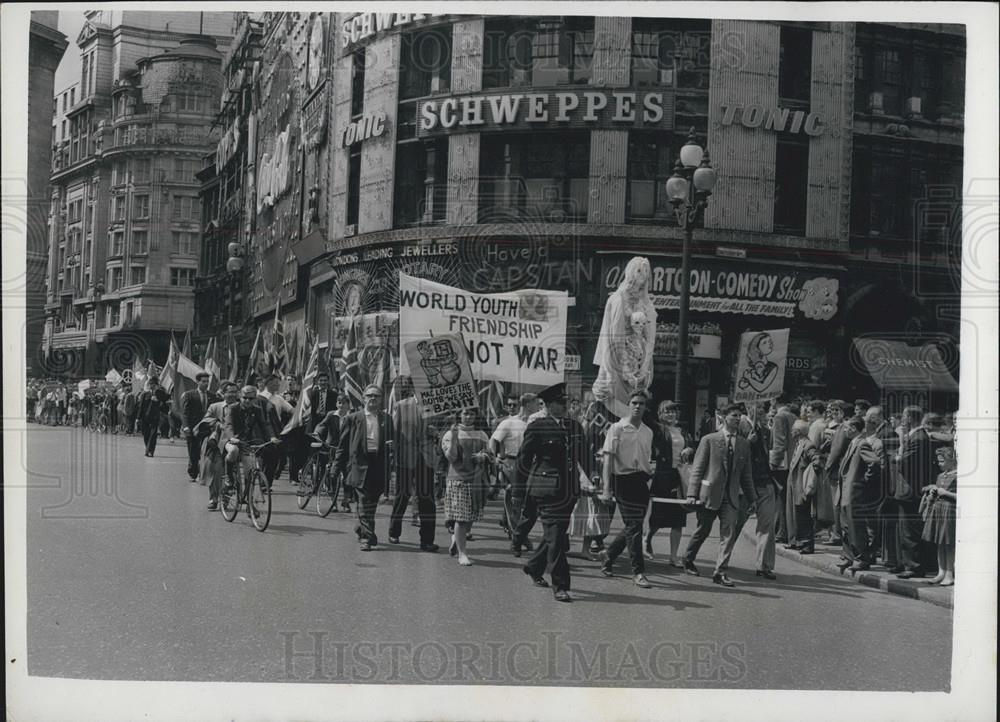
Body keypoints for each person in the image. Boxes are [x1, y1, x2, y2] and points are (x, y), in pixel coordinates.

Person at [515, 383, 586, 602]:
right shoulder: (538, 427)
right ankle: (561, 585)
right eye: (559, 402)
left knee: (554, 534)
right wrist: (518, 490)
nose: (564, 405)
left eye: (565, 401)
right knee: (556, 539)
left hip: (569, 490)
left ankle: (534, 566)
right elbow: (523, 460)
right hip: (545, 489)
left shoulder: (575, 426)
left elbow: (584, 456)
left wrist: (592, 478)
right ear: (547, 405)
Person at [682, 404, 756, 587]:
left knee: (728, 534)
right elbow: (698, 468)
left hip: (731, 496)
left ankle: (720, 571)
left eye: (740, 416)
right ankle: (688, 558)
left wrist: (752, 498)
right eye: (734, 416)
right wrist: (692, 493)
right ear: (723, 418)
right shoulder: (709, 440)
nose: (738, 419)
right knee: (703, 530)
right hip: (709, 494)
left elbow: (746, 474)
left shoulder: (744, 444)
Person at [598, 391, 655, 588]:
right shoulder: (617, 428)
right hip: (622, 480)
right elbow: (608, 460)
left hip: (641, 481)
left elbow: (647, 459)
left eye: (641, 403)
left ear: (646, 407)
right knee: (634, 526)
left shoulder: (648, 432)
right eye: (634, 403)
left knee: (634, 525)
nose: (637, 406)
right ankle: (638, 572)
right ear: (628, 404)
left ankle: (609, 554)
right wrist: (606, 489)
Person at [592, 256, 657, 419]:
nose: (642, 275)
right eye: (639, 271)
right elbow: (615, 337)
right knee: (615, 394)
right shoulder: (618, 299)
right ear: (630, 272)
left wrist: (645, 366)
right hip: (620, 359)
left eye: (646, 272)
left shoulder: (647, 303)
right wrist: (625, 370)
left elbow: (650, 338)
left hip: (639, 358)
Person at [333, 384, 395, 552]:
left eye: (376, 396)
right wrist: (335, 467)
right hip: (359, 465)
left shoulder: (387, 419)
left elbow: (392, 442)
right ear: (364, 398)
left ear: (381, 399)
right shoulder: (353, 418)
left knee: (371, 503)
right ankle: (367, 538)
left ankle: (360, 528)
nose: (373, 399)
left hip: (378, 466)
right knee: (363, 501)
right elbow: (342, 446)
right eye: (370, 396)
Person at [389, 376, 439, 551]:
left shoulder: (436, 406)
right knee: (402, 496)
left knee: (427, 499)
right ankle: (394, 532)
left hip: (426, 459)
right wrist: (394, 456)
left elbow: (445, 431)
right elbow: (394, 433)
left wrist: (436, 432)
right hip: (405, 458)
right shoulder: (402, 406)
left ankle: (427, 540)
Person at [896, 411, 947, 578]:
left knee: (910, 530)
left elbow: (904, 463)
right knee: (908, 529)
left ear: (910, 418)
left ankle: (914, 566)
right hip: (911, 489)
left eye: (904, 417)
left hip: (911, 490)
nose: (902, 420)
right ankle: (908, 563)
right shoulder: (919, 436)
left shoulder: (917, 438)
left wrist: (898, 455)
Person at [645, 400, 694, 567]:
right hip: (663, 476)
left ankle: (673, 556)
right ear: (660, 414)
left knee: (679, 519)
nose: (671, 414)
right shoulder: (658, 429)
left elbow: (689, 446)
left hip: (679, 476)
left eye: (673, 411)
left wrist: (689, 449)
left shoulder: (682, 430)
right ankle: (647, 538)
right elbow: (646, 418)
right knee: (658, 517)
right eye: (667, 411)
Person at [441, 407, 492, 565]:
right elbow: (450, 457)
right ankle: (462, 554)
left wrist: (483, 456)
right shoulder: (450, 434)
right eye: (465, 413)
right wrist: (455, 438)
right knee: (462, 519)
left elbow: (490, 454)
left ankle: (457, 538)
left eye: (471, 414)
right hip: (458, 479)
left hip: (477, 480)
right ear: (459, 415)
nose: (468, 417)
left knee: (471, 517)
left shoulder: (482, 434)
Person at [739, 404, 779, 579]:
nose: (761, 410)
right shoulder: (738, 425)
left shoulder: (765, 431)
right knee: (735, 525)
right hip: (745, 485)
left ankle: (764, 565)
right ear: (748, 405)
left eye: (763, 407)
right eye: (757, 406)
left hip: (765, 482)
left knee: (767, 524)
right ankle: (722, 562)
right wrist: (747, 442)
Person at [491, 393, 535, 540]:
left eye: (514, 405)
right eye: (537, 404)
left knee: (528, 501)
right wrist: (495, 459)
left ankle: (519, 532)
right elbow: (494, 441)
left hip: (530, 464)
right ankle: (517, 536)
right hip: (511, 462)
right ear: (528, 405)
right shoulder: (508, 423)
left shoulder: (533, 422)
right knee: (513, 501)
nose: (539, 407)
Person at [223, 385, 281, 489]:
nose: (247, 401)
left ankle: (247, 496)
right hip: (232, 441)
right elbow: (228, 425)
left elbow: (265, 424)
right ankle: (229, 475)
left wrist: (272, 437)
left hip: (246, 443)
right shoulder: (232, 408)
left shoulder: (257, 410)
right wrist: (232, 437)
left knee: (249, 469)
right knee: (233, 451)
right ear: (240, 397)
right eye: (244, 398)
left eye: (251, 398)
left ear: (255, 399)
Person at [197, 381, 239, 510]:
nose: (232, 395)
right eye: (229, 392)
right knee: (214, 472)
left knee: (230, 472)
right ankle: (213, 498)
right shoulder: (215, 407)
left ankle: (226, 498)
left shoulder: (240, 407)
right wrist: (218, 424)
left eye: (235, 392)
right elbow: (205, 420)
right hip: (215, 444)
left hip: (233, 442)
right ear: (223, 393)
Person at [922, 445, 957, 586]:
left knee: (948, 543)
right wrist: (932, 493)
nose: (939, 464)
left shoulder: (957, 475)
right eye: (939, 461)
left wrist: (946, 493)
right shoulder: (940, 476)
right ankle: (940, 571)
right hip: (938, 509)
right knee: (939, 543)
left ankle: (949, 573)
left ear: (951, 460)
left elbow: (964, 496)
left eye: (942, 461)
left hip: (949, 511)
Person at [822, 400, 853, 546]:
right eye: (832, 410)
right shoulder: (849, 426)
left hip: (837, 469)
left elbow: (836, 450)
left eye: (836, 410)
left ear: (842, 412)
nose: (833, 413)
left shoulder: (843, 427)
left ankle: (836, 534)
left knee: (835, 502)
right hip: (844, 468)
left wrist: (828, 466)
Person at [787, 419, 820, 554]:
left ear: (798, 431)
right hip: (794, 484)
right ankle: (798, 541)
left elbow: (816, 459)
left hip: (801, 485)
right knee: (797, 514)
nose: (791, 431)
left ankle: (807, 544)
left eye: (793, 429)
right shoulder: (799, 443)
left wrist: (811, 474)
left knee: (804, 515)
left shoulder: (808, 445)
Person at [769, 400, 798, 544]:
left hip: (782, 464)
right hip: (791, 461)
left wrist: (773, 463)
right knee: (786, 497)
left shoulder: (779, 417)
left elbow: (779, 443)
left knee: (780, 498)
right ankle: (785, 530)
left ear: (775, 401)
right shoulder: (793, 416)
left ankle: (781, 531)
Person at [181, 372, 217, 483]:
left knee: (206, 450)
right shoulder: (189, 395)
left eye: (207, 381)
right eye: (203, 381)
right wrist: (186, 427)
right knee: (193, 451)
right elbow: (185, 413)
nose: (206, 384)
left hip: (207, 428)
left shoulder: (212, 396)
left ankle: (203, 473)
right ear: (198, 382)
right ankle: (193, 472)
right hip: (192, 428)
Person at [137, 378, 170, 457]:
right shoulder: (145, 394)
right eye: (150, 384)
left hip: (155, 417)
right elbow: (141, 406)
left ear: (156, 385)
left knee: (153, 435)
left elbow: (167, 399)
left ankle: (150, 451)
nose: (151, 386)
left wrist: (158, 399)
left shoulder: (160, 393)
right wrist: (138, 418)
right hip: (145, 417)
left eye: (153, 384)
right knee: (146, 434)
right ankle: (148, 448)